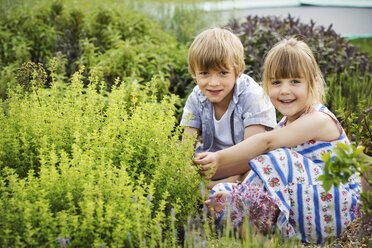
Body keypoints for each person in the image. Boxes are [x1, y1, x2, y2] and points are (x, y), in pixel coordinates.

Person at [195, 37, 361, 243]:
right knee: (221, 194)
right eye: (276, 82)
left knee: (276, 158)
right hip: (305, 207)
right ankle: (255, 233)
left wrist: (218, 159)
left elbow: (267, 144)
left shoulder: (318, 119)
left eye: (295, 81)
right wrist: (214, 181)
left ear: (314, 83)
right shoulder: (284, 125)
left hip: (340, 210)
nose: (284, 90)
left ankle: (255, 231)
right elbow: (254, 164)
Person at [180, 27, 277, 189]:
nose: (213, 82)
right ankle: (211, 192)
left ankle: (221, 192)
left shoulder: (253, 97)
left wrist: (216, 184)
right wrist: (186, 170)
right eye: (204, 73)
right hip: (212, 165)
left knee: (259, 170)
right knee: (176, 169)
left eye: (223, 73)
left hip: (244, 164)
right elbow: (185, 149)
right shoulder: (196, 97)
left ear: (237, 71)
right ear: (194, 73)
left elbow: (252, 152)